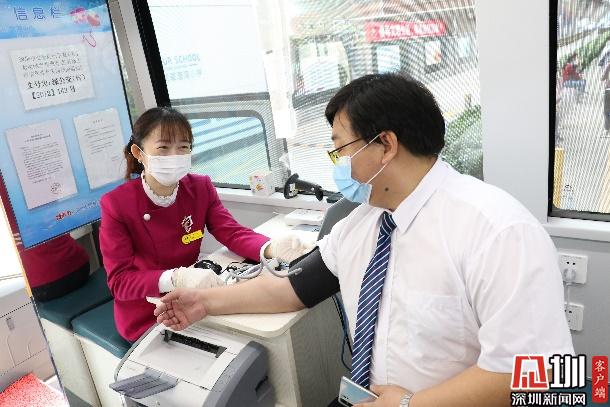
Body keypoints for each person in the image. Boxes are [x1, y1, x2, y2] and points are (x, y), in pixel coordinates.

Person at [154, 75, 574, 406]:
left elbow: (544, 376)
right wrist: (205, 301)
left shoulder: (498, 232)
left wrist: (411, 405)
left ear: (385, 145)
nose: (337, 164)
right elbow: (292, 289)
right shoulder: (363, 224)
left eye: (341, 148)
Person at [100, 107, 312, 342]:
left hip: (193, 299)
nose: (174, 156)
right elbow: (120, 282)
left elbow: (231, 232)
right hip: (148, 312)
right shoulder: (117, 205)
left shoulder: (199, 187)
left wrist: (271, 248)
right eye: (163, 148)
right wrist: (176, 278)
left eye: (183, 147)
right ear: (138, 153)